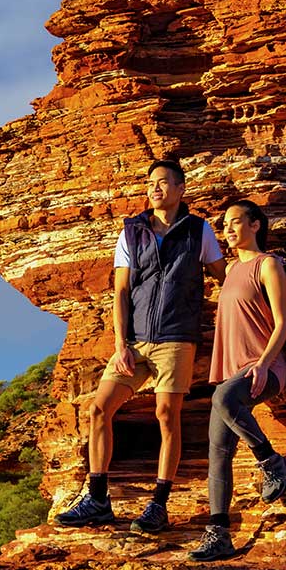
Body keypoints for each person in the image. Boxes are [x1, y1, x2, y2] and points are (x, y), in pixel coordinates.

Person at [55, 159, 222, 533]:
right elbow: (120, 290)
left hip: (177, 338)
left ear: (181, 189)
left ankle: (158, 505)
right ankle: (98, 499)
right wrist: (120, 343)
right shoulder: (132, 232)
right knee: (99, 409)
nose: (155, 189)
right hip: (134, 341)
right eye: (150, 183)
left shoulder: (199, 231)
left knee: (166, 414)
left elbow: (223, 277)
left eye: (163, 183)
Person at [188, 196, 286, 562]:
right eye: (224, 224)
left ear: (255, 225)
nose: (228, 229)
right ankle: (219, 534)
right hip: (229, 371)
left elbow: (283, 323)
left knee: (223, 400)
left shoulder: (268, 265)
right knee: (217, 454)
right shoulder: (231, 270)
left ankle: (271, 462)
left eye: (235, 221)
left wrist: (265, 364)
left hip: (262, 368)